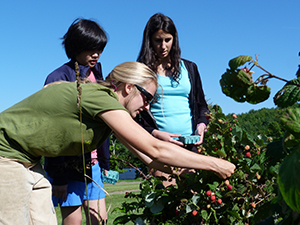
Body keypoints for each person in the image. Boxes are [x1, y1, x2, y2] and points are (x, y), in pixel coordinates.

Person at [0, 61, 235, 225]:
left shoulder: (107, 113)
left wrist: (186, 172)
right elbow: (155, 148)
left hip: (28, 162)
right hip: (5, 154)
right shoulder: (100, 97)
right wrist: (217, 164)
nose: (147, 107)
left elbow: (148, 157)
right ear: (129, 87)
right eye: (147, 98)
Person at [44, 18, 109, 225]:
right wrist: (59, 176)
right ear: (75, 46)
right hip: (68, 167)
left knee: (100, 219)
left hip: (94, 165)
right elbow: (53, 131)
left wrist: (105, 161)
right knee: (73, 221)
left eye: (99, 48)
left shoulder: (96, 74)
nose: (96, 54)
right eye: (91, 49)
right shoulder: (58, 77)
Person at [136, 13, 210, 186]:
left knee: (192, 204)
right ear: (149, 41)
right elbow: (134, 115)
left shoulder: (190, 68)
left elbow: (201, 106)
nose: (163, 46)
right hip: (159, 148)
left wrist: (201, 125)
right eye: (157, 40)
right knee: (167, 206)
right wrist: (155, 133)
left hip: (190, 147)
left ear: (174, 39)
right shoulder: (142, 71)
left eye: (167, 40)